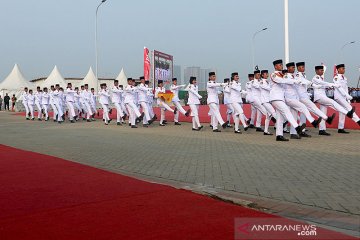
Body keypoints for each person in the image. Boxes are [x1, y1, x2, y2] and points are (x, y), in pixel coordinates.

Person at [312, 65, 355, 136]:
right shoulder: (315, 78)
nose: (322, 71)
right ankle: (348, 113)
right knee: (332, 102)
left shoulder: (321, 78)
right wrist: (332, 84)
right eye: (320, 70)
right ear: (316, 71)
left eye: (322, 70)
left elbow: (324, 85)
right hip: (319, 97)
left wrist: (331, 85)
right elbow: (323, 83)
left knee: (323, 113)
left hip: (323, 96)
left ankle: (321, 130)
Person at [295, 62, 335, 136]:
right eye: (301, 67)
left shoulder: (304, 75)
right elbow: (304, 82)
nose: (303, 68)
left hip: (304, 95)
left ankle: (301, 130)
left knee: (304, 113)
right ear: (298, 68)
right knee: (313, 107)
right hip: (301, 97)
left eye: (303, 67)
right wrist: (313, 84)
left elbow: (303, 86)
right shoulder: (298, 75)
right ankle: (326, 119)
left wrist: (307, 93)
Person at [270, 59, 306, 141]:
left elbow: (286, 80)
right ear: (275, 66)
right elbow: (280, 80)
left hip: (281, 98)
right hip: (275, 98)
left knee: (280, 118)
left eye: (281, 65)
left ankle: (279, 135)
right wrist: (293, 81)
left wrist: (293, 81)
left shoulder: (282, 75)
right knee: (286, 111)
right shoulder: (274, 75)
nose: (281, 66)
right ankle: (297, 128)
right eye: (279, 65)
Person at [284, 62, 322, 139]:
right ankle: (313, 121)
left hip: (295, 98)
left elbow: (303, 82)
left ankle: (293, 133)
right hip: (289, 98)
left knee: (294, 116)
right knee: (303, 107)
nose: (293, 69)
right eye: (292, 67)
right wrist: (295, 81)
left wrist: (311, 85)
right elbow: (288, 83)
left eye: (294, 67)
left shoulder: (295, 76)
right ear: (288, 68)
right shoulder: (286, 76)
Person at [333, 64, 360, 133]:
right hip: (338, 97)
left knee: (342, 112)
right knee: (349, 108)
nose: (344, 70)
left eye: (344, 68)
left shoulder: (345, 78)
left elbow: (345, 88)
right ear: (338, 69)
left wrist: (347, 98)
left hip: (344, 97)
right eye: (342, 68)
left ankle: (340, 128)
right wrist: (346, 96)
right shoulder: (336, 78)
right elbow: (339, 88)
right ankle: (358, 121)